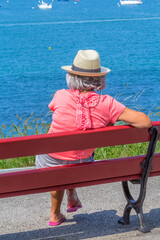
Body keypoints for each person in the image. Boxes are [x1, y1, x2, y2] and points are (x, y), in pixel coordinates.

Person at [35, 49, 151, 226]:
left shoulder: (60, 96)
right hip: (83, 165)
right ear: (99, 79)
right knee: (74, 154)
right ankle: (71, 194)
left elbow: (56, 112)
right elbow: (144, 122)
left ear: (72, 77)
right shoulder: (107, 103)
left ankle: (55, 215)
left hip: (50, 164)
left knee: (57, 155)